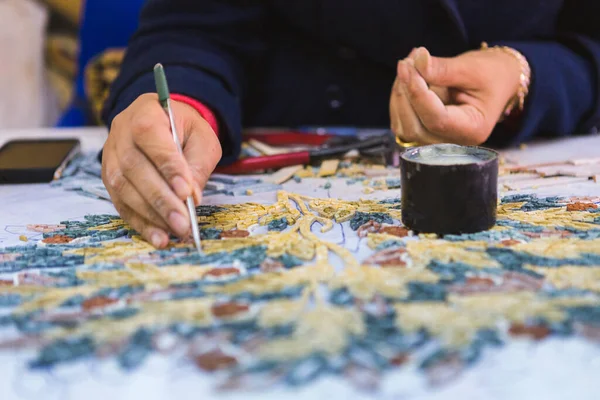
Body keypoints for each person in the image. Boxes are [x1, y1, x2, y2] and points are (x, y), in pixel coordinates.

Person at [100, 0, 600, 248]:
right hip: (280, 143)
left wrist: (523, 74)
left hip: (537, 139)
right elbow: (191, 26)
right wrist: (185, 103)